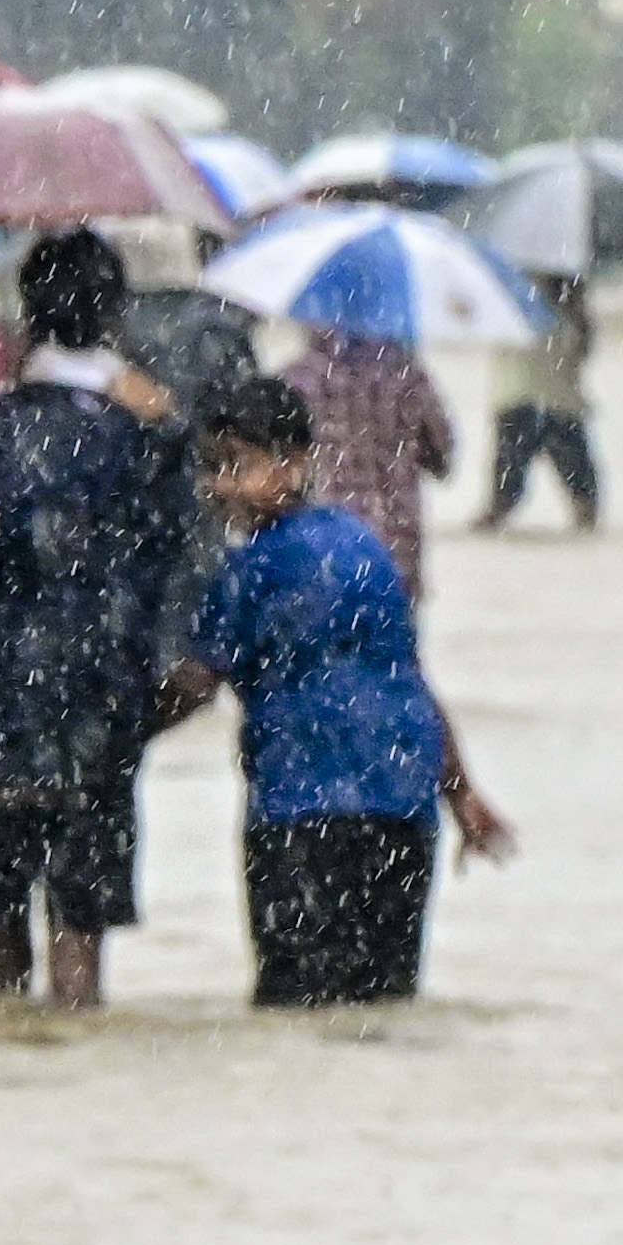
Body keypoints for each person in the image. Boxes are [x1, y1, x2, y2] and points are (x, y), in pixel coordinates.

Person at [169, 374, 517, 1006]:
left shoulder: (250, 571)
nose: (218, 485)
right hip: (400, 808)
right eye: (210, 468)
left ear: (296, 463)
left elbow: (194, 684)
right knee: (383, 1001)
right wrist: (462, 793)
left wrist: (112, 735)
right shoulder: (362, 546)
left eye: (236, 466)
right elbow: (408, 681)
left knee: (292, 1003)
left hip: (300, 814)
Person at [0, 232, 185, 1011]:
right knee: (80, 936)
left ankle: (5, 1076)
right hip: (94, 722)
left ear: (26, 315)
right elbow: (173, 575)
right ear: (113, 316)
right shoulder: (145, 434)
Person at [288, 318, 462, 589]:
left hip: (323, 534)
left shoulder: (299, 377)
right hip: (396, 534)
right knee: (392, 623)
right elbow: (442, 453)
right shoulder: (406, 373)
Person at [480, 274, 602, 527]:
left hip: (517, 399)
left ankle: (494, 517)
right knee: (583, 494)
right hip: (562, 404)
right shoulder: (571, 309)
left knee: (504, 493)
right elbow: (581, 352)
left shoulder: (508, 297)